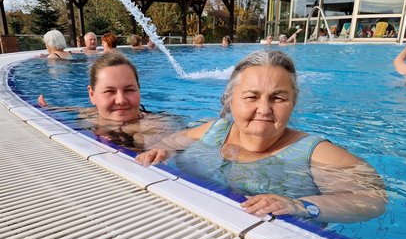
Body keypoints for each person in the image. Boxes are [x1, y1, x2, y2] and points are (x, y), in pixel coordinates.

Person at [136, 50, 387, 223]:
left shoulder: (314, 152)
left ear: (293, 102)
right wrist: (163, 151)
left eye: (278, 98)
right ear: (231, 101)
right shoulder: (214, 131)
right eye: (251, 96)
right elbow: (170, 142)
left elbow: (373, 199)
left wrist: (300, 205)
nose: (264, 109)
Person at [38, 51, 180, 152]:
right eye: (109, 91)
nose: (121, 100)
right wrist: (50, 107)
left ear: (139, 90)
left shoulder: (155, 124)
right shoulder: (90, 114)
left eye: (129, 90)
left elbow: (164, 145)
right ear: (92, 95)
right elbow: (76, 109)